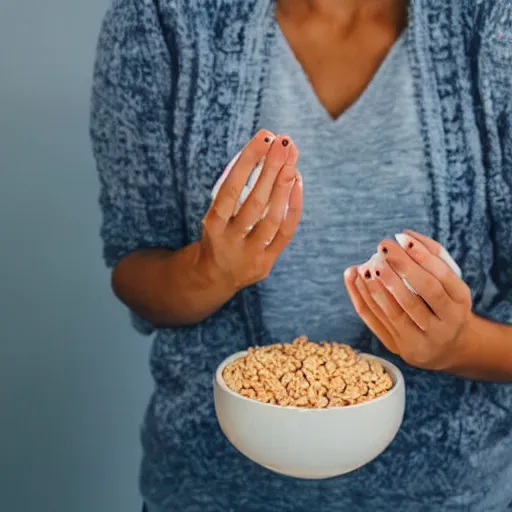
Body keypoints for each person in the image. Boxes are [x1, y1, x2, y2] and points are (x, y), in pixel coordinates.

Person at [90, 0, 512, 510]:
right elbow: (136, 268)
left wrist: (459, 345)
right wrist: (211, 272)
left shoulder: (494, 24)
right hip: (211, 491)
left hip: (452, 495)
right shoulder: (162, 15)